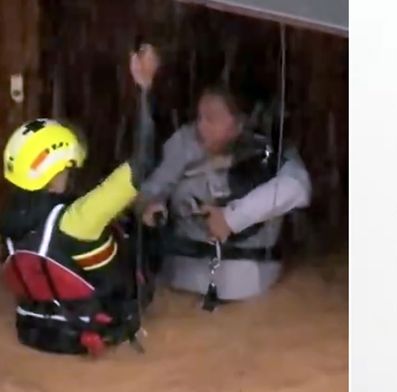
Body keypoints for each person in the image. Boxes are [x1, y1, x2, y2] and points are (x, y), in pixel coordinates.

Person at [0, 44, 160, 356]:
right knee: (148, 227)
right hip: (94, 324)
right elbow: (144, 163)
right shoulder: (80, 218)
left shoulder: (9, 215)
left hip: (37, 328)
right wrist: (145, 90)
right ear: (58, 171)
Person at [136, 51, 311, 302]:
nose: (201, 126)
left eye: (212, 119)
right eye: (199, 117)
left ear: (239, 123)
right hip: (180, 276)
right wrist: (153, 205)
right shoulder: (185, 143)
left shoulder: (268, 150)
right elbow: (151, 186)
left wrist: (231, 219)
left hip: (248, 282)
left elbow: (298, 188)